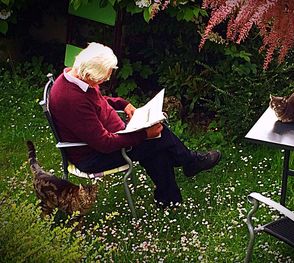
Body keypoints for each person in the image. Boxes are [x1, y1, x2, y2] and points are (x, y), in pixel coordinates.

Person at [50, 42, 221, 207]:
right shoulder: (72, 99)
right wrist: (143, 135)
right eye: (101, 80)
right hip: (93, 157)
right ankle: (188, 163)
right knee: (158, 138)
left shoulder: (74, 78)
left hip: (109, 136)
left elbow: (97, 101)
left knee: (156, 143)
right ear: (87, 73)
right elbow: (104, 143)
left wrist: (122, 104)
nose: (102, 83)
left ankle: (170, 197)